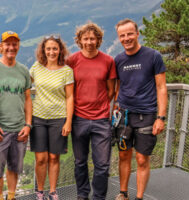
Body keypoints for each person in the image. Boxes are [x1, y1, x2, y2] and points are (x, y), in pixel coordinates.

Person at [113, 19, 167, 200]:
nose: (126, 38)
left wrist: (161, 117)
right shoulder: (119, 60)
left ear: (137, 34)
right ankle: (123, 193)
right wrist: (115, 107)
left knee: (142, 159)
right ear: (119, 38)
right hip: (124, 115)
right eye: (122, 35)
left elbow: (161, 87)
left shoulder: (153, 56)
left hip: (147, 115)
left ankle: (139, 197)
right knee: (124, 155)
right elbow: (119, 87)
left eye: (129, 34)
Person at [66, 22, 117, 200]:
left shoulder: (108, 61)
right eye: (85, 38)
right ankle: (82, 194)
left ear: (98, 40)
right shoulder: (72, 61)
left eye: (92, 38)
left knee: (102, 164)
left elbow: (111, 90)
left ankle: (99, 197)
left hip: (101, 119)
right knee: (80, 162)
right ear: (79, 40)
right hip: (78, 118)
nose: (89, 42)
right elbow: (67, 88)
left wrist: (100, 105)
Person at [0, 31, 32, 200]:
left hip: (19, 128)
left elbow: (27, 99)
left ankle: (11, 197)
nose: (11, 47)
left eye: (14, 44)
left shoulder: (23, 70)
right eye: (7, 44)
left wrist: (28, 125)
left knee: (14, 167)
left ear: (18, 46)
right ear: (0, 47)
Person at [29, 34, 74, 200]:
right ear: (43, 50)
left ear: (60, 50)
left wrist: (68, 121)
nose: (51, 52)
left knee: (54, 157)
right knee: (41, 158)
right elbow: (25, 83)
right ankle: (40, 192)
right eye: (48, 48)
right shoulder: (36, 67)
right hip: (38, 117)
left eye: (54, 48)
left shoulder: (67, 71)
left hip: (59, 118)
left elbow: (70, 97)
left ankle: (53, 191)